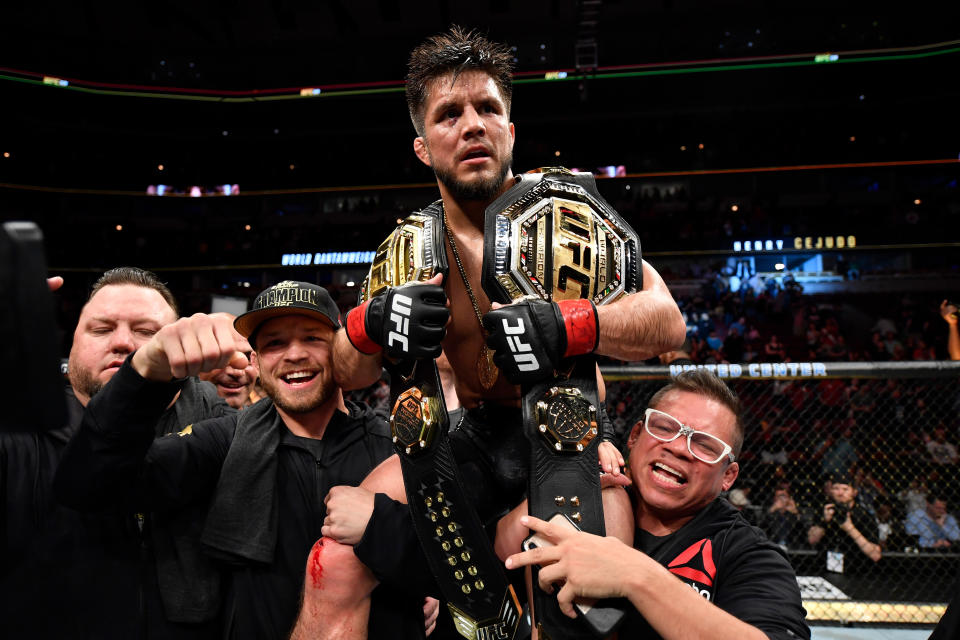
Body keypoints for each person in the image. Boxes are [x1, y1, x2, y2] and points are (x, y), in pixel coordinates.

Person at [301, 26, 686, 638]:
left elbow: (668, 323)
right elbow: (347, 371)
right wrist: (370, 322)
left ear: (510, 130)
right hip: (472, 434)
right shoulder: (408, 249)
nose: (472, 124)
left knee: (586, 601)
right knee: (336, 553)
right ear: (424, 146)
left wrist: (570, 322)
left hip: (567, 429)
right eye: (449, 114)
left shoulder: (568, 218)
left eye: (488, 109)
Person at [53, 280, 421, 640]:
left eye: (312, 337)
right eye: (275, 343)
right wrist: (144, 375)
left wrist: (386, 533)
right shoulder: (221, 439)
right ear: (256, 362)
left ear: (339, 350)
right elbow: (88, 486)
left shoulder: (399, 443)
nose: (294, 354)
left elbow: (465, 560)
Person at [1, 267, 235, 639]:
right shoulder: (17, 431)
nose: (124, 343)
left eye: (147, 332)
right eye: (101, 329)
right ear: (70, 342)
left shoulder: (226, 426)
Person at [504, 369, 810, 639]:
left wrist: (635, 574)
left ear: (728, 476)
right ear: (635, 436)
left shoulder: (747, 555)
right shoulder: (590, 499)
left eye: (705, 445)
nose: (678, 448)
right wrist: (572, 484)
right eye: (664, 427)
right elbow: (504, 554)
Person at [806, 475, 881, 581]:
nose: (840, 493)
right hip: (825, 571)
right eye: (836, 488)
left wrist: (850, 528)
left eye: (845, 489)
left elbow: (875, 555)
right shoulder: (825, 511)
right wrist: (824, 522)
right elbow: (812, 540)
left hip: (856, 574)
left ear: (854, 492)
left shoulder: (864, 515)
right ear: (831, 491)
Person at [196, 312, 260, 409]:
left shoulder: (264, 420)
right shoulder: (170, 416)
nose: (237, 372)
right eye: (221, 356)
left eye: (248, 358)